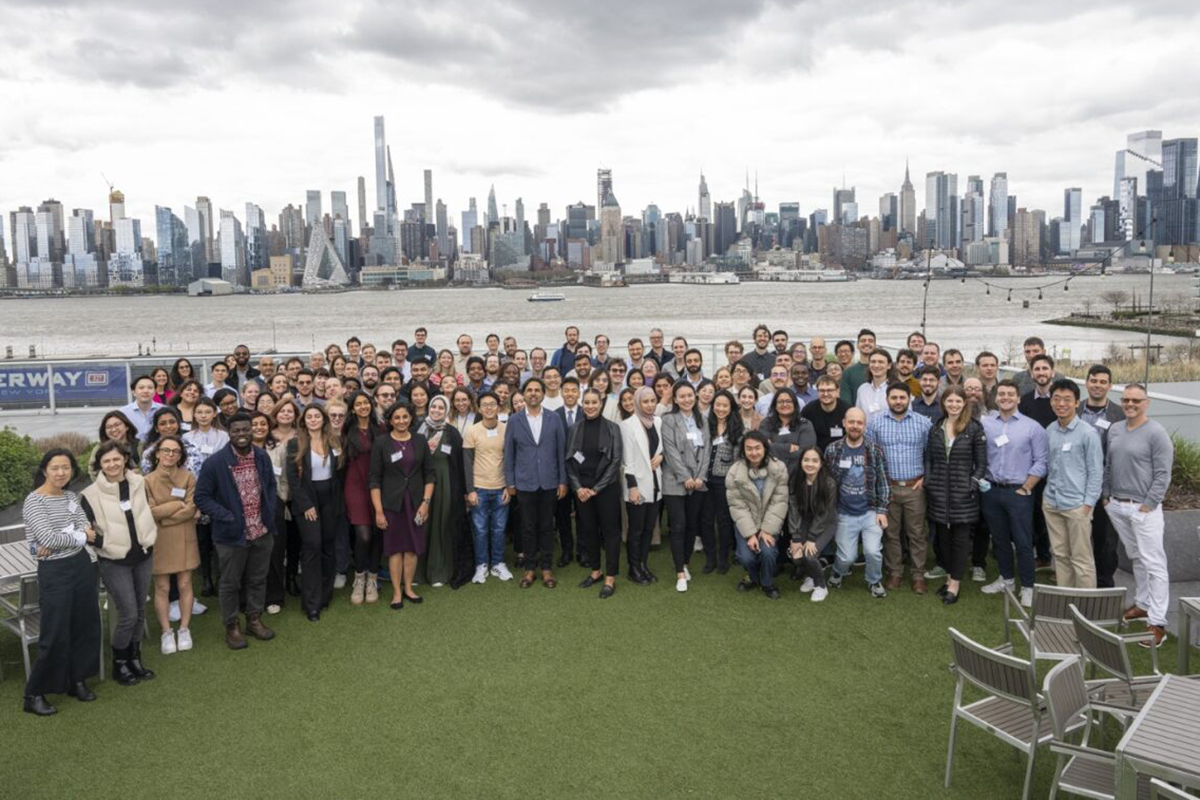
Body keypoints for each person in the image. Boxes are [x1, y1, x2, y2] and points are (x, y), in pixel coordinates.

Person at [21, 449, 102, 716]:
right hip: (55, 571)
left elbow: (87, 529)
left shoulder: (70, 496)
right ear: (45, 470)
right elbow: (49, 538)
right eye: (55, 468)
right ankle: (34, 693)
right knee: (54, 632)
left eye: (66, 468)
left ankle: (76, 679)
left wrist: (70, 536)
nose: (61, 473)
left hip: (81, 565)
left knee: (85, 624)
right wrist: (77, 536)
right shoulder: (35, 502)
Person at [195, 413, 278, 650]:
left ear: (252, 430)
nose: (241, 435)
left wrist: (269, 512)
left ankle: (254, 619)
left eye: (245, 430)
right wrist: (227, 517)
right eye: (236, 431)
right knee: (230, 583)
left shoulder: (261, 456)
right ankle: (231, 626)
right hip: (231, 536)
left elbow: (270, 485)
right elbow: (201, 497)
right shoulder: (216, 463)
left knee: (257, 578)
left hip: (262, 531)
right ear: (228, 433)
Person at [1103, 383, 1174, 648]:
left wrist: (1150, 503)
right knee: (1137, 558)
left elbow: (1163, 473)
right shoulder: (1116, 429)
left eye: (1136, 400)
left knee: (1154, 562)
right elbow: (1109, 464)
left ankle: (1158, 622)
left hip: (1144, 508)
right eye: (1126, 400)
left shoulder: (1156, 433)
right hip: (1118, 505)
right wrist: (1107, 495)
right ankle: (1143, 604)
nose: (1130, 404)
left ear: (1147, 402)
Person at [81, 441, 158, 685]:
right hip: (115, 560)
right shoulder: (90, 495)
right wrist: (104, 541)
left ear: (125, 459)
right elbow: (88, 532)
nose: (112, 464)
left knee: (140, 611)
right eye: (106, 461)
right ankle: (120, 663)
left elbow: (146, 510)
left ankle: (135, 658)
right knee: (128, 613)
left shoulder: (139, 482)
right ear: (99, 465)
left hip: (143, 555)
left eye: (116, 459)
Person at [978, 380, 1047, 607]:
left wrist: (1026, 487)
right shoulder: (985, 424)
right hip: (991, 490)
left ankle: (1028, 587)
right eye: (1001, 394)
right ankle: (1006, 580)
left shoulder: (1032, 427)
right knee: (999, 540)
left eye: (1010, 394)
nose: (1005, 397)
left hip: (1019, 492)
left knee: (1023, 542)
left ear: (1018, 399)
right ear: (996, 398)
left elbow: (1041, 461)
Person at [922, 386, 987, 605]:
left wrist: (972, 484)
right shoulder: (936, 427)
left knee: (960, 541)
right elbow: (929, 459)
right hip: (939, 493)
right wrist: (930, 482)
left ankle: (955, 584)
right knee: (943, 540)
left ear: (964, 403)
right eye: (950, 401)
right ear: (944, 403)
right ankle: (950, 577)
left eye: (958, 401)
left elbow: (982, 463)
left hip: (963, 495)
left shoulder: (974, 428)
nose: (954, 405)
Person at [370, 402, 436, 608]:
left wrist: (425, 503)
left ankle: (409, 588)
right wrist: (379, 511)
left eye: (405, 417)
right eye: (396, 417)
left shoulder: (420, 440)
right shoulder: (381, 443)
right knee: (395, 548)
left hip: (416, 503)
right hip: (392, 504)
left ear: (411, 419)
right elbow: (374, 479)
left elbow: (430, 474)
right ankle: (397, 591)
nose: (401, 421)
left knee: (412, 548)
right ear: (390, 420)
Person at [503, 378, 567, 589]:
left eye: (537, 390)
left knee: (547, 526)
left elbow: (560, 452)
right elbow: (509, 454)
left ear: (542, 393)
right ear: (523, 394)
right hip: (524, 482)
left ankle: (547, 569)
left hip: (549, 482)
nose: (533, 394)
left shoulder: (554, 418)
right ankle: (530, 568)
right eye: (529, 390)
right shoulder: (514, 420)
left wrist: (562, 481)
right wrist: (510, 482)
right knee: (528, 527)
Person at [868, 382, 932, 593]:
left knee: (917, 534)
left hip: (915, 487)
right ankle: (895, 572)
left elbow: (930, 455)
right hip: (889, 487)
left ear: (909, 399)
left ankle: (918, 574)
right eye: (894, 398)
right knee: (891, 533)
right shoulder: (875, 423)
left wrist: (925, 476)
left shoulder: (923, 423)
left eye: (902, 398)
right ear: (887, 400)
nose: (898, 401)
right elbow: (871, 456)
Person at [1043, 378, 1103, 589]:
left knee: (1082, 559)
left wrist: (1088, 505)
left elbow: (1096, 472)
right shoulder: (1050, 429)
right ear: (1051, 402)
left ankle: (1085, 610)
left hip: (1077, 505)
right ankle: (1066, 601)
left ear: (1077, 403)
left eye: (1067, 399)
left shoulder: (1087, 433)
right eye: (1056, 399)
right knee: (1060, 555)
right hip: (1052, 502)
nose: (1061, 404)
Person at [287, 404, 345, 621]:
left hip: (330, 499)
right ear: (304, 421)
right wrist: (306, 505)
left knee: (329, 546)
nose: (313, 419)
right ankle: (311, 603)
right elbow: (293, 478)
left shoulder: (334, 441)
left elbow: (339, 472)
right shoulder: (296, 443)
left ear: (323, 419)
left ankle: (324, 595)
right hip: (307, 501)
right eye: (309, 416)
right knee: (313, 546)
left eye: (317, 416)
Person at [824, 408, 889, 598]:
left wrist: (882, 510)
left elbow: (883, 481)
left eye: (859, 423)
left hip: (870, 511)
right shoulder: (833, 449)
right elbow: (827, 483)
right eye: (851, 422)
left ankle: (874, 581)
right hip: (844, 512)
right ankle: (838, 571)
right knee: (847, 557)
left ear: (864, 425)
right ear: (844, 423)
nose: (855, 426)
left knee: (873, 552)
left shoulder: (874, 450)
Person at [145, 434, 200, 653]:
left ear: (180, 456)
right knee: (162, 587)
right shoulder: (146, 481)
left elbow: (191, 508)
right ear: (157, 454)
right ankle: (166, 631)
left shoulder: (188, 477)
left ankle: (184, 628)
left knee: (186, 584)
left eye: (175, 451)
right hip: (159, 539)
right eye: (166, 450)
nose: (170, 455)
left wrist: (164, 515)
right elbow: (149, 512)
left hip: (185, 535)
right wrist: (176, 504)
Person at [567, 388, 624, 599]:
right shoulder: (575, 429)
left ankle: (610, 577)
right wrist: (578, 487)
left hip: (605, 489)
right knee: (588, 531)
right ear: (582, 404)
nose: (590, 406)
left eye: (594, 402)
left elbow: (615, 460)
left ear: (601, 404)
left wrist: (596, 489)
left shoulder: (613, 428)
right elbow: (569, 460)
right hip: (582, 490)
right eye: (587, 402)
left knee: (610, 533)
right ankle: (595, 571)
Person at [726, 431, 790, 600]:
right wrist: (750, 534)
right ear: (743, 451)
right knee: (745, 557)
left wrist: (767, 530)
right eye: (749, 449)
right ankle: (753, 578)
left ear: (765, 448)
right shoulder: (734, 472)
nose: (754, 452)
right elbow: (737, 506)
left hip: (770, 521)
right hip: (746, 522)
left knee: (768, 553)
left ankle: (767, 583)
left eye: (757, 448)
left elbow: (780, 501)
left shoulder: (779, 468)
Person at [1077, 364, 1124, 587]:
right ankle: (1080, 584)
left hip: (1106, 487)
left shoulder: (1120, 414)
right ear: (1086, 383)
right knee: (1079, 537)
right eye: (1094, 380)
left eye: (1103, 382)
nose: (1097, 385)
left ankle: (1104, 585)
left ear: (1110, 386)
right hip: (1077, 485)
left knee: (1105, 539)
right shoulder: (1074, 410)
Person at [661, 381, 711, 592]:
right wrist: (685, 477)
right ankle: (680, 572)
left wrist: (700, 477)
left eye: (690, 395)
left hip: (698, 482)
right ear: (675, 399)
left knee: (692, 525)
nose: (687, 399)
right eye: (682, 396)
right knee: (679, 526)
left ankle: (687, 562)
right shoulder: (668, 420)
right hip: (675, 481)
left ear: (695, 396)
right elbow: (670, 451)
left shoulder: (703, 419)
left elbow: (707, 448)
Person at [417, 395, 468, 588]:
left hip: (445, 483)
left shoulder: (451, 433)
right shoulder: (418, 429)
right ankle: (418, 573)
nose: (436, 410)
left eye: (441, 408)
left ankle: (438, 571)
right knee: (422, 525)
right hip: (420, 483)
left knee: (440, 525)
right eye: (434, 406)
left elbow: (459, 464)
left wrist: (462, 491)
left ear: (446, 411)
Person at [464, 391, 513, 583]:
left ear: (499, 407)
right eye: (485, 405)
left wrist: (509, 487)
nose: (489, 408)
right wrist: (470, 490)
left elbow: (510, 460)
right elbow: (467, 463)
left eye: (492, 404)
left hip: (501, 488)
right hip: (479, 488)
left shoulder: (506, 429)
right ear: (478, 408)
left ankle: (498, 564)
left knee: (500, 529)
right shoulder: (472, 430)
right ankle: (481, 565)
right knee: (480, 529)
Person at [621, 386, 664, 585]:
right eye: (645, 401)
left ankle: (643, 564)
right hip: (637, 484)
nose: (649, 405)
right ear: (638, 402)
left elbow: (662, 448)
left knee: (648, 528)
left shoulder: (658, 421)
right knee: (636, 529)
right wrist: (632, 487)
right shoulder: (627, 425)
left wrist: (662, 457)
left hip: (656, 483)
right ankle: (633, 567)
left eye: (652, 401)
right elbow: (627, 459)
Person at [342, 391, 381, 605]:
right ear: (353, 408)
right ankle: (359, 577)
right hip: (354, 486)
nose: (363, 406)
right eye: (358, 404)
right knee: (363, 535)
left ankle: (372, 578)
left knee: (377, 533)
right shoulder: (346, 431)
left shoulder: (381, 429)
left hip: (378, 486)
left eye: (366, 402)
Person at [787, 446, 837, 602]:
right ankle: (810, 575)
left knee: (810, 554)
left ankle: (821, 586)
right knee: (796, 555)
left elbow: (824, 514)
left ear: (821, 463)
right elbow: (793, 509)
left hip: (826, 523)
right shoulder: (796, 479)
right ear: (801, 461)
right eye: (806, 460)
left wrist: (811, 538)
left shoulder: (829, 484)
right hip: (805, 521)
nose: (810, 464)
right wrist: (796, 537)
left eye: (815, 460)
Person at [701, 389, 742, 574]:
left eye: (725, 405)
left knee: (724, 521)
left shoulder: (737, 429)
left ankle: (723, 557)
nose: (721, 408)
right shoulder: (705, 425)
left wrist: (732, 481)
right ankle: (710, 558)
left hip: (724, 481)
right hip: (705, 480)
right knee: (706, 520)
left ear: (731, 407)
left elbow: (738, 460)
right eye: (718, 404)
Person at [554, 377, 584, 566]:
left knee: (583, 515)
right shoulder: (553, 415)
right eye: (567, 390)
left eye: (574, 390)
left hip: (582, 474)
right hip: (561, 474)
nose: (570, 394)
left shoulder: (586, 412)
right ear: (561, 392)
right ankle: (566, 551)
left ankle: (583, 551)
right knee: (562, 515)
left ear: (578, 393)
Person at [758, 387, 817, 477]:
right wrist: (788, 447)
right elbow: (762, 448)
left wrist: (774, 446)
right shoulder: (766, 423)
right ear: (775, 405)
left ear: (794, 404)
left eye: (789, 401)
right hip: (771, 473)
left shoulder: (805, 424)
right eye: (780, 402)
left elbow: (806, 452)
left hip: (799, 474)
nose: (785, 404)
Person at [801, 375, 849, 451]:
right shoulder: (808, 410)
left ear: (837, 391)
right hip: (816, 455)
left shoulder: (847, 410)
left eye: (830, 390)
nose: (825, 394)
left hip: (840, 453)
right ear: (817, 392)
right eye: (822, 391)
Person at [838, 329, 876, 406]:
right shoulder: (848, 373)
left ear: (875, 345)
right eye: (863, 341)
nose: (867, 343)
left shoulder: (883, 370)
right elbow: (846, 401)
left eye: (870, 341)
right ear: (857, 345)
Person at [855, 349, 892, 423]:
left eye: (881, 362)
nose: (876, 365)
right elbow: (858, 415)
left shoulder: (896, 389)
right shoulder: (862, 389)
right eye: (873, 362)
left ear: (889, 365)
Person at [122, 374, 163, 441]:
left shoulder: (163, 410)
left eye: (150, 388)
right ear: (133, 392)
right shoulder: (123, 413)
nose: (146, 391)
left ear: (155, 392)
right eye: (141, 388)